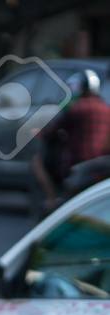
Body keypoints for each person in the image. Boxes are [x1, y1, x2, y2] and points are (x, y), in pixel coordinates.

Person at [33, 69, 110, 211]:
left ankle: (51, 200)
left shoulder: (76, 109)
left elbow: (53, 131)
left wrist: (41, 133)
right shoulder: (106, 109)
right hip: (102, 164)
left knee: (37, 162)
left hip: (77, 163)